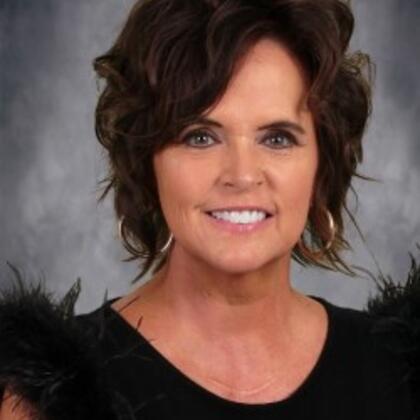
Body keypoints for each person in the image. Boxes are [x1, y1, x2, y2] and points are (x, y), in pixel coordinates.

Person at [0, 0, 418, 419]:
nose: (242, 175)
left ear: (321, 168)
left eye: (277, 138)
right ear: (147, 162)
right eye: (200, 137)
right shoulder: (55, 396)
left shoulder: (400, 370)